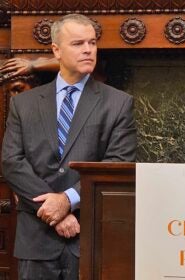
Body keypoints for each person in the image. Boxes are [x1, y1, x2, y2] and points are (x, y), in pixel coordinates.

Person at [1, 13, 137, 279]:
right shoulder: (24, 104)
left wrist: (67, 200)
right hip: (36, 241)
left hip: (90, 239)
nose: (88, 49)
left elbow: (118, 163)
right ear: (56, 50)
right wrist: (57, 213)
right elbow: (12, 162)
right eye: (77, 44)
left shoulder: (119, 103)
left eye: (92, 43)